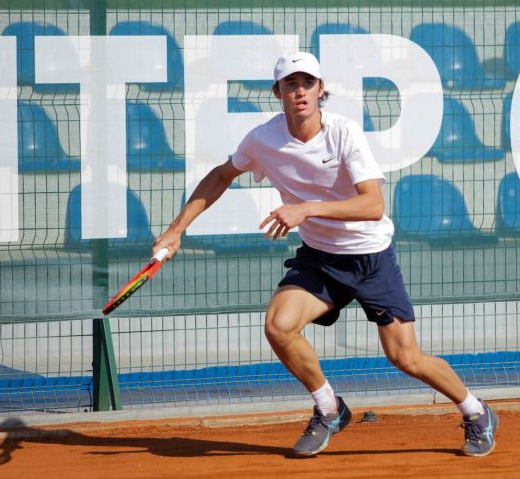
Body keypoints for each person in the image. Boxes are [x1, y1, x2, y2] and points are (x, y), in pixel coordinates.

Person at [153, 51, 499, 457]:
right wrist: (176, 230)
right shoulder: (262, 139)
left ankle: (476, 412)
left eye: (307, 83)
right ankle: (329, 408)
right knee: (279, 326)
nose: (299, 91)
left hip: (369, 257)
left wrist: (307, 208)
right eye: (290, 84)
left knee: (406, 357)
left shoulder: (343, 133)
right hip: (320, 257)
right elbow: (221, 175)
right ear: (277, 92)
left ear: (320, 90)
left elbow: (373, 205)